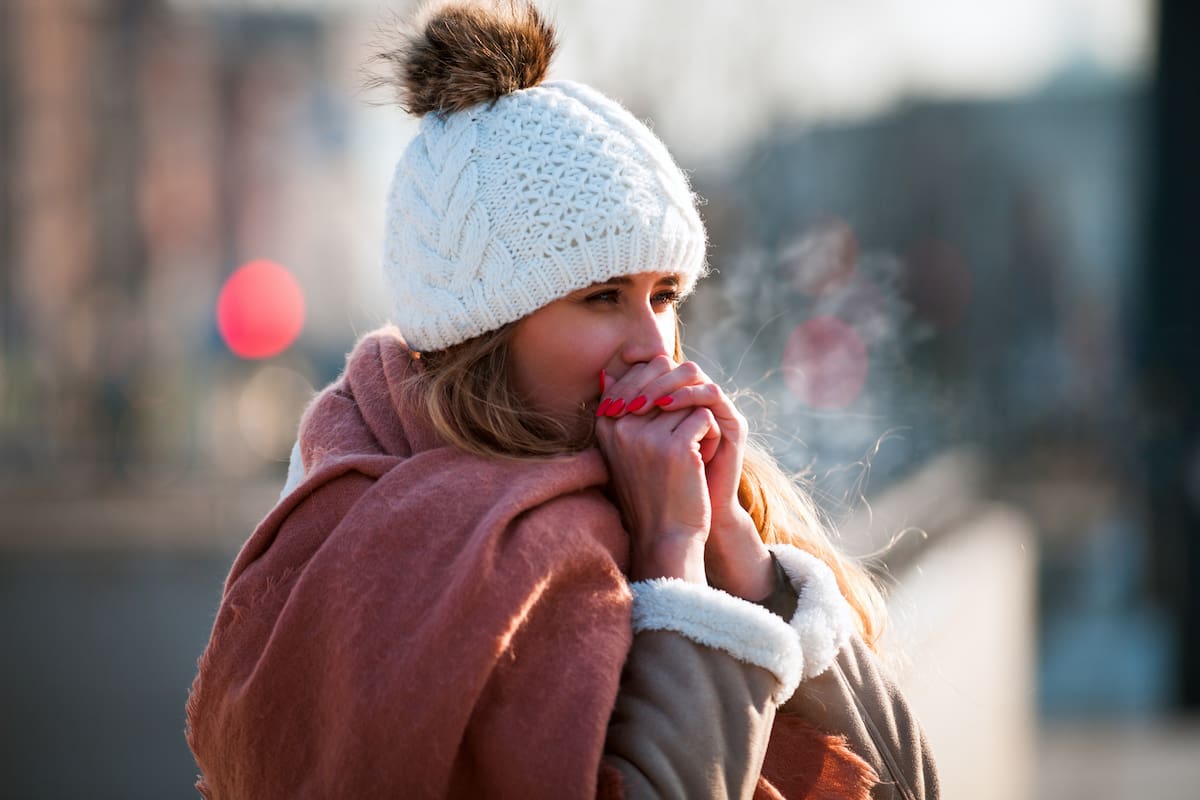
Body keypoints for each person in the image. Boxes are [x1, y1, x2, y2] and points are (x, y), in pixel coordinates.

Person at [185, 2, 940, 798]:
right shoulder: (388, 539)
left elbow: (910, 786)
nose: (653, 344)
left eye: (666, 294)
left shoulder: (696, 492)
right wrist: (673, 570)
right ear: (486, 335)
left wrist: (742, 560)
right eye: (604, 296)